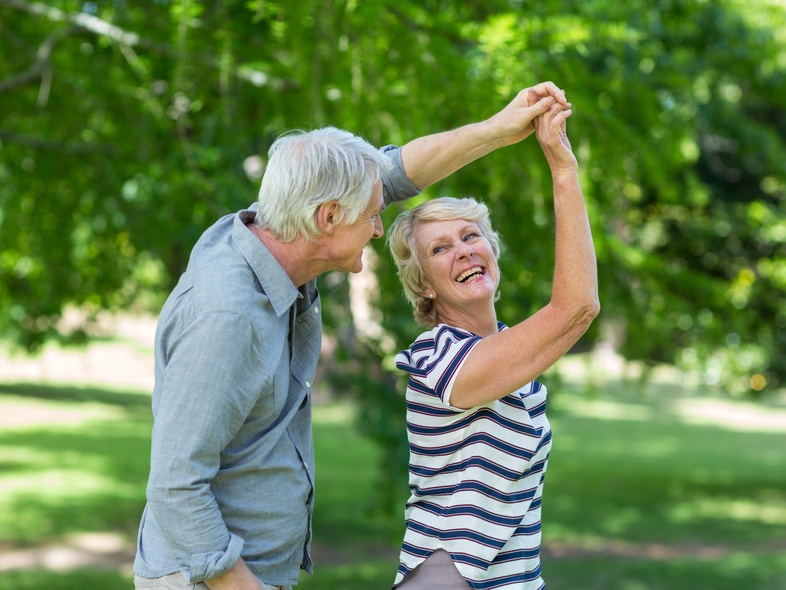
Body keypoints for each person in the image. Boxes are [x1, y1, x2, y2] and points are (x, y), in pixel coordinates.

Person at [132, 82, 571, 590]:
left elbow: (396, 171)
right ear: (329, 218)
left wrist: (497, 130)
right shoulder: (227, 314)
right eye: (372, 215)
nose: (379, 229)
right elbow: (175, 484)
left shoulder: (283, 227)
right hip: (208, 581)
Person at [386, 96, 599, 589]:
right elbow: (576, 308)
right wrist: (562, 167)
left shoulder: (511, 356)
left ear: (491, 251)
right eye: (441, 248)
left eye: (470, 235)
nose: (463, 250)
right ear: (423, 284)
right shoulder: (435, 359)